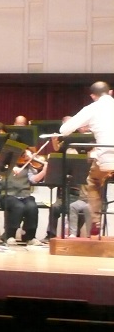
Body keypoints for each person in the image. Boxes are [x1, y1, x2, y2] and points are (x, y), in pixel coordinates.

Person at [60, 81, 114, 236]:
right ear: (110, 92)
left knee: (93, 181)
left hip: (107, 159)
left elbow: (64, 130)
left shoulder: (91, 108)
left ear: (92, 96)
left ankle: (96, 221)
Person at [0, 153, 47, 246]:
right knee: (18, 206)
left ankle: (30, 237)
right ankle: (9, 235)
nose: (25, 157)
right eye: (23, 155)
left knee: (32, 207)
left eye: (27, 155)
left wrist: (44, 170)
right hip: (8, 195)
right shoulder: (6, 164)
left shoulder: (29, 167)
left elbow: (34, 179)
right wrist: (9, 168)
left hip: (25, 195)